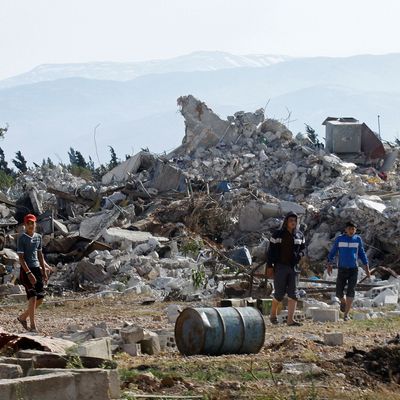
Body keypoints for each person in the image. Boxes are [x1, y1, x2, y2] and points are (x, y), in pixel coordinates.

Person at [267, 212, 306, 326]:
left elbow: (303, 249)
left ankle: (290, 320)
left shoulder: (300, 235)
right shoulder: (277, 235)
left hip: (294, 268)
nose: (293, 222)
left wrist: (300, 255)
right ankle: (273, 314)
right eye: (291, 220)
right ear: (286, 222)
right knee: (279, 293)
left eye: (295, 220)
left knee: (293, 293)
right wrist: (270, 266)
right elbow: (270, 252)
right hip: (280, 266)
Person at [327, 221, 370, 321]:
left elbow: (362, 253)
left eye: (353, 229)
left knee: (351, 291)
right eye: (350, 229)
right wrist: (329, 263)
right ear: (346, 229)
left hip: (353, 269)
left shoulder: (357, 239)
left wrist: (366, 267)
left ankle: (346, 315)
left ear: (355, 230)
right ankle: (343, 301)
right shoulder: (340, 239)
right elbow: (333, 252)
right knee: (338, 293)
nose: (351, 231)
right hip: (342, 269)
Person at [16, 214, 48, 332]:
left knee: (40, 298)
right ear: (25, 225)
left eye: (32, 223)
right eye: (28, 223)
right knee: (33, 296)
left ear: (35, 224)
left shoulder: (38, 237)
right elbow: (21, 258)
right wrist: (29, 273)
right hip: (26, 270)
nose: (30, 225)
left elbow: (40, 255)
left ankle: (23, 317)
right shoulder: (22, 238)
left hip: (36, 268)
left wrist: (44, 271)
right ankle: (33, 326)